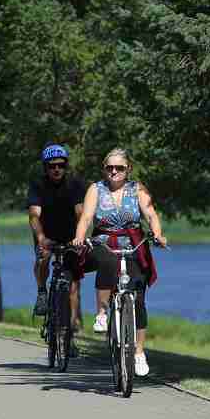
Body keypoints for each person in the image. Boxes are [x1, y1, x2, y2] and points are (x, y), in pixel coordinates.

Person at [72, 148, 167, 377]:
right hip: (103, 242)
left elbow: (151, 215)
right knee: (107, 261)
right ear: (104, 169)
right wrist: (79, 237)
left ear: (128, 169)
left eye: (119, 168)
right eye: (110, 167)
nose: (114, 171)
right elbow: (86, 217)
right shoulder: (96, 189)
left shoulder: (138, 189)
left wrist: (157, 234)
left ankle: (139, 352)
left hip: (134, 243)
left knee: (139, 297)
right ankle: (102, 312)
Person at [27, 143, 87, 341]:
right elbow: (34, 215)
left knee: (73, 285)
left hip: (70, 235)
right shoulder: (38, 185)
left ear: (65, 166)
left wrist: (80, 237)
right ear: (45, 168)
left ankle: (70, 332)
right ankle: (42, 292)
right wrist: (41, 238)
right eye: (52, 166)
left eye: (61, 165)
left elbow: (80, 212)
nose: (56, 169)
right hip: (46, 232)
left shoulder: (75, 184)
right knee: (43, 257)